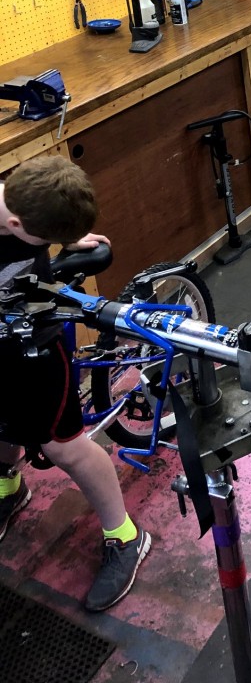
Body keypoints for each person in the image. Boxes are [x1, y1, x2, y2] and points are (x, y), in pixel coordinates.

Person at [0, 156, 151, 612]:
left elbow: (42, 218)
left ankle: (125, 535)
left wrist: (66, 239)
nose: (49, 246)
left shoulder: (24, 203)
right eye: (46, 241)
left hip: (38, 345)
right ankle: (9, 488)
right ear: (13, 221)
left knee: (65, 447)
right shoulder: (17, 213)